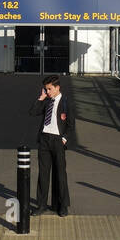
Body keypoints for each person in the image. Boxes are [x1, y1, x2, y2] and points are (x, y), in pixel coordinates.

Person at [30, 75, 74, 216]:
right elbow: (33, 112)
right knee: (43, 174)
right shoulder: (47, 101)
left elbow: (70, 125)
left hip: (58, 141)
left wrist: (64, 139)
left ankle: (62, 205)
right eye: (46, 89)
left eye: (49, 89)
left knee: (60, 174)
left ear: (57, 87)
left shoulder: (66, 102)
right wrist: (41, 98)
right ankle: (41, 205)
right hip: (44, 139)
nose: (47, 91)